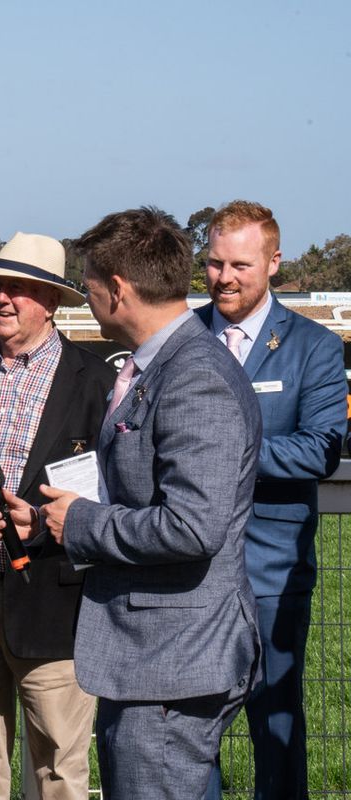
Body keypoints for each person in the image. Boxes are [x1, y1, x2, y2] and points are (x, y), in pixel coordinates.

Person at [0, 208, 261, 799]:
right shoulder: (164, 365)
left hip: (172, 662)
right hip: (150, 659)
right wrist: (47, 521)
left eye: (88, 290)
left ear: (118, 290)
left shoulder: (193, 377)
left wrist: (81, 522)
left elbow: (193, 526)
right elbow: (146, 496)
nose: (88, 304)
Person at [0, 233, 112, 799]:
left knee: (57, 760)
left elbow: (114, 489)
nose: (2, 299)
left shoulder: (98, 380)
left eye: (20, 290)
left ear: (52, 302)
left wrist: (50, 523)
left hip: (54, 594)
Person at [198, 201, 346, 799]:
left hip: (272, 572)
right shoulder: (182, 339)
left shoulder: (314, 346)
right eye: (213, 264)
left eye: (240, 264)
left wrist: (222, 450)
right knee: (190, 723)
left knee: (275, 717)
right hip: (190, 566)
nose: (225, 277)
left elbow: (319, 452)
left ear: (274, 263)